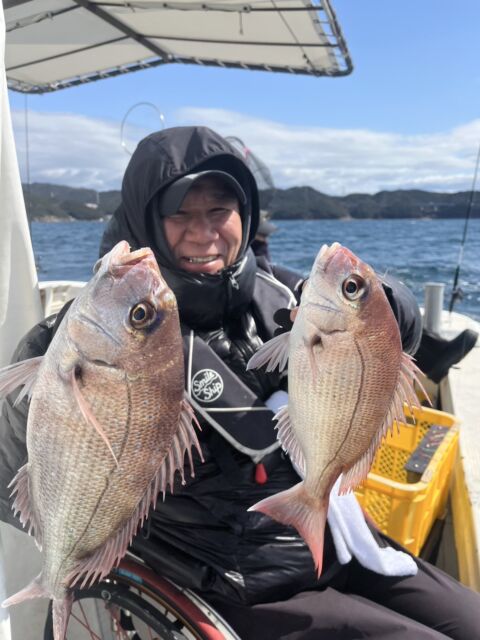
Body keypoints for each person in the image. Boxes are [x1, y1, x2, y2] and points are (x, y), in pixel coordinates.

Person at [1, 126, 479, 639]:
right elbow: (13, 459)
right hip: (235, 583)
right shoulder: (87, 336)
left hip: (342, 538)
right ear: (145, 221)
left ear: (245, 215)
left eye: (219, 210)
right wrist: (53, 382)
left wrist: (385, 304)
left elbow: (395, 331)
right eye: (179, 214)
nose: (203, 232)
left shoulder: (285, 294)